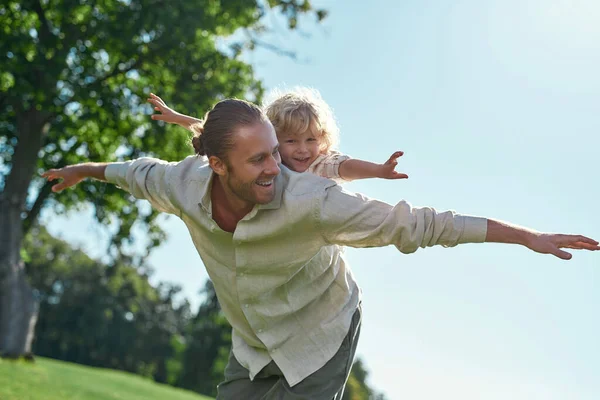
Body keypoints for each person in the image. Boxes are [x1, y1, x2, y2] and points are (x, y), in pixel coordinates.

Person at [42, 98, 599, 400]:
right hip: (254, 342)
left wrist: (527, 236)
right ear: (216, 165)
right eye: (262, 159)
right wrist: (82, 171)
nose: (277, 167)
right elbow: (133, 173)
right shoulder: (184, 183)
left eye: (276, 154)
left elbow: (425, 224)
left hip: (322, 330)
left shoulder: (314, 199)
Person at [147, 87, 408, 184]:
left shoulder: (320, 163)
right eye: (291, 140)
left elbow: (346, 167)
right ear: (274, 140)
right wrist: (177, 117)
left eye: (310, 140)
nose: (303, 150)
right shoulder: (272, 161)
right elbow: (220, 133)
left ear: (322, 140)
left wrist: (379, 170)